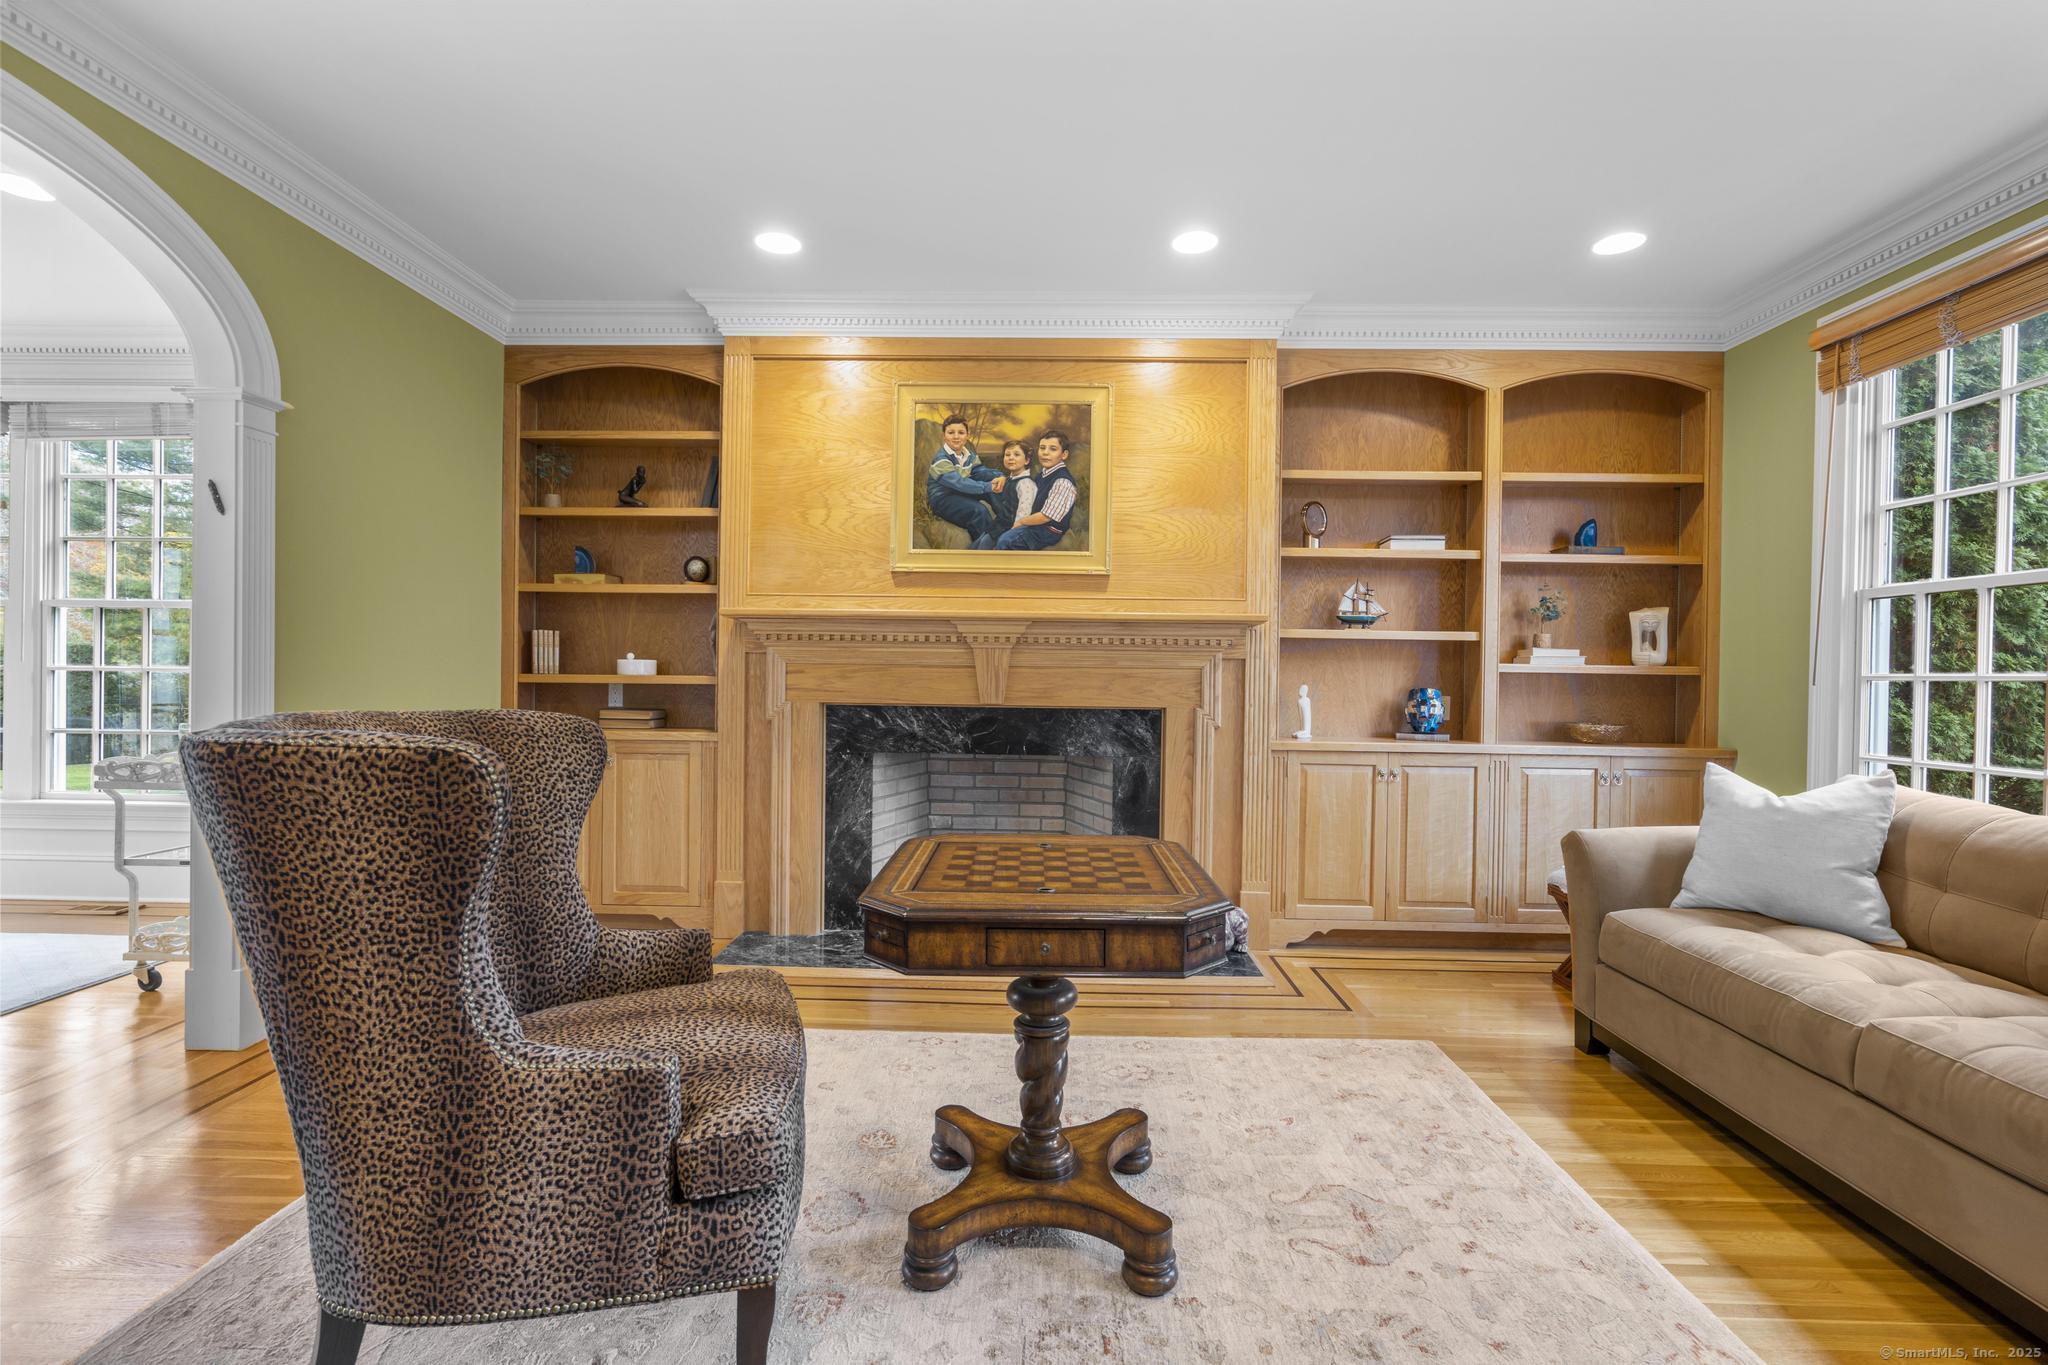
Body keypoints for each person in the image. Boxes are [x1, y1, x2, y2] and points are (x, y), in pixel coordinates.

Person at [995, 429, 1077, 551]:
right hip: (1035, 523)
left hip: (1048, 530)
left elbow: (1046, 516)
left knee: (1006, 540)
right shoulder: (1043, 474)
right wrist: (1004, 479)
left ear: (1064, 455)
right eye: (1042, 448)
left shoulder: (1063, 481)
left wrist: (1021, 522)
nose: (1045, 453)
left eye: (1052, 449)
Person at [924, 413, 997, 545]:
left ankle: (1006, 522)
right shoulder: (941, 459)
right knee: (979, 511)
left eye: (961, 432)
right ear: (944, 436)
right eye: (951, 432)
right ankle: (985, 547)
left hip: (960, 493)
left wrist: (1000, 477)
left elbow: (980, 472)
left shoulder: (969, 456)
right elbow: (959, 483)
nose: (956, 436)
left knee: (994, 492)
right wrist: (988, 486)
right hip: (943, 499)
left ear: (967, 435)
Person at [973, 440, 1034, 550]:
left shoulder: (1026, 484)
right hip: (997, 527)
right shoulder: (1009, 479)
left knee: (981, 553)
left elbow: (1023, 515)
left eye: (1016, 454)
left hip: (1009, 531)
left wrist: (1008, 538)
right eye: (1007, 454)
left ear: (1027, 460)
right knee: (974, 548)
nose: (1011, 458)